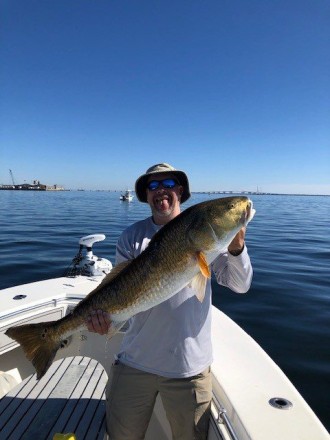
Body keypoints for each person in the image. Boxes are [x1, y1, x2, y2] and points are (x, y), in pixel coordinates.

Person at [86, 163, 253, 440]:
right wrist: (106, 320)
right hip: (134, 361)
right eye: (153, 185)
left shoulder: (211, 239)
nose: (160, 191)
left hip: (189, 367)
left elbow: (239, 285)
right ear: (145, 194)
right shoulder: (131, 237)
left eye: (168, 184)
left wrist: (237, 249)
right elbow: (121, 291)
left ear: (180, 190)